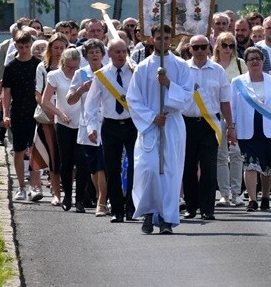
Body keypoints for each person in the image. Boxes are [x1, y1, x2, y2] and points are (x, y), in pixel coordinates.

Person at [125, 23, 192, 235]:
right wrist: (152, 117)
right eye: (158, 37)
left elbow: (188, 97)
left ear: (170, 40)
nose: (163, 41)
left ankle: (166, 218)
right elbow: (133, 99)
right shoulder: (143, 68)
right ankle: (148, 212)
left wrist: (169, 84)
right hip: (150, 125)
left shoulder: (181, 66)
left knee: (170, 172)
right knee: (149, 169)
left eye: (166, 37)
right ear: (151, 39)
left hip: (171, 124)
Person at [182, 34, 234, 222]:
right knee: (188, 167)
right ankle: (190, 207)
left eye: (204, 47)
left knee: (209, 168)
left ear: (209, 48)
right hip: (187, 122)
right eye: (196, 47)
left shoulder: (218, 70)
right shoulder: (183, 69)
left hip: (210, 124)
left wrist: (231, 127)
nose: (200, 51)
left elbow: (225, 101)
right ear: (190, 49)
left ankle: (207, 208)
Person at [85, 37, 137, 223]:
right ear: (109, 54)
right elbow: (91, 105)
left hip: (132, 124)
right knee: (112, 169)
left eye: (124, 51)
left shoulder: (134, 71)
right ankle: (117, 210)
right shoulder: (102, 75)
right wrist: (91, 127)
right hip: (110, 125)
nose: (121, 55)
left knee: (134, 167)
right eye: (117, 52)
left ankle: (131, 207)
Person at [232, 46, 271, 211]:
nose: (254, 61)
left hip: (269, 129)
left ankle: (265, 197)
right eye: (251, 59)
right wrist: (231, 128)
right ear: (246, 62)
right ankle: (252, 200)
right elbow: (233, 108)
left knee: (268, 166)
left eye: (258, 58)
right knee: (249, 165)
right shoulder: (238, 82)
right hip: (247, 130)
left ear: (263, 61)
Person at [0, 28, 44, 202]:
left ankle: (35, 186)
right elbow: (6, 92)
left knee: (34, 151)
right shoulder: (11, 66)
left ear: (31, 45)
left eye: (26, 46)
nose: (24, 50)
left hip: (35, 113)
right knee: (18, 151)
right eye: (20, 46)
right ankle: (21, 186)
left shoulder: (38, 65)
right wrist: (5, 113)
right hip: (18, 111)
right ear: (16, 46)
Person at [66, 38, 108, 216]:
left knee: (102, 164)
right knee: (93, 166)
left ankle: (102, 200)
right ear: (86, 56)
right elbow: (70, 99)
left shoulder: (108, 72)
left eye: (97, 51)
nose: (95, 54)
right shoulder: (81, 74)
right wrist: (82, 89)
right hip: (88, 125)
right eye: (91, 52)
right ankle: (100, 195)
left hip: (106, 123)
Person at [40, 46, 82, 211]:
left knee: (82, 161)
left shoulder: (82, 74)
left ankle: (80, 199)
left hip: (81, 122)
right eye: (69, 67)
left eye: (75, 67)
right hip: (64, 123)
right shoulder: (54, 76)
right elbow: (46, 101)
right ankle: (67, 196)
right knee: (66, 161)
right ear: (62, 64)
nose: (72, 70)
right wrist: (60, 114)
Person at [33, 33, 67, 205]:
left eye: (62, 48)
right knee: (53, 154)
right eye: (56, 48)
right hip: (48, 116)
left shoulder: (72, 66)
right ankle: (56, 193)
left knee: (67, 155)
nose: (59, 51)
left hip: (69, 115)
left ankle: (68, 191)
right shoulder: (42, 67)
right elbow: (38, 94)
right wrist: (50, 110)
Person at [213, 31, 244, 207]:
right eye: (224, 45)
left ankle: (236, 193)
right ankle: (224, 194)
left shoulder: (240, 65)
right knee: (221, 156)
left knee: (237, 154)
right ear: (218, 46)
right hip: (215, 115)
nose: (228, 49)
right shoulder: (212, 64)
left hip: (236, 115)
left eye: (231, 45)